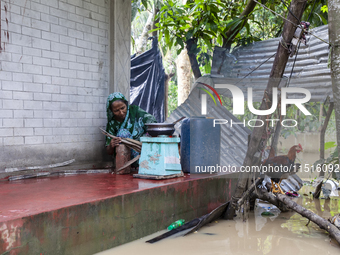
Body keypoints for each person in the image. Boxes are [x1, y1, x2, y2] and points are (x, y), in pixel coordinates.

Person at [105, 92, 157, 157]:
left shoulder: (135, 111)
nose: (121, 113)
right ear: (111, 111)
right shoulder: (112, 124)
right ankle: (127, 163)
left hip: (142, 149)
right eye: (116, 110)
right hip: (125, 156)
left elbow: (152, 122)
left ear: (126, 105)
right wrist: (111, 145)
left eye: (123, 108)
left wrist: (146, 135)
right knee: (123, 133)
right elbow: (108, 152)